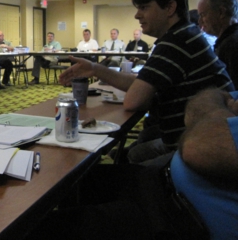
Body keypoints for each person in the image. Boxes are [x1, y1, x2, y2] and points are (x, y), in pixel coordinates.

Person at [59, 0, 234, 165]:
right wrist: (95, 69)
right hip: (204, 139)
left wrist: (99, 71)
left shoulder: (175, 42)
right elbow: (143, 84)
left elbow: (133, 101)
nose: (137, 15)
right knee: (131, 154)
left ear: (170, 8)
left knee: (122, 169)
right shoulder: (184, 34)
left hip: (209, 150)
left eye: (144, 7)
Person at [25, 87, 238, 240]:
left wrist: (214, 102)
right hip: (161, 186)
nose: (137, 20)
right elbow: (205, 111)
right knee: (80, 179)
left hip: (183, 221)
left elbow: (199, 145)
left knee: (43, 229)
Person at [197, 0, 238, 87]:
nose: (200, 21)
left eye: (203, 15)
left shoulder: (231, 45)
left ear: (221, 12)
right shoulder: (228, 41)